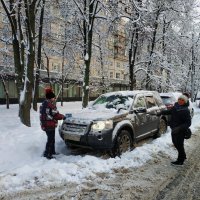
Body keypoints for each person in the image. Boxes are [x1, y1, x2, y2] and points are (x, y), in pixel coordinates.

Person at [158, 94, 191, 166]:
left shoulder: (186, 110)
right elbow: (169, 112)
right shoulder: (175, 107)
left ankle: (180, 160)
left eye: (182, 100)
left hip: (180, 130)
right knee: (175, 143)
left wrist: (179, 128)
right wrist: (161, 112)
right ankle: (183, 155)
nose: (180, 101)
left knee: (179, 145)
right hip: (174, 128)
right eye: (179, 99)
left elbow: (188, 123)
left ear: (185, 101)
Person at [40, 88, 65, 159]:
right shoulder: (50, 105)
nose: (54, 99)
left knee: (51, 139)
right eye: (53, 97)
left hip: (45, 124)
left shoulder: (43, 104)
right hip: (50, 125)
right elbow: (56, 115)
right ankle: (47, 154)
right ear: (51, 98)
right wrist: (63, 116)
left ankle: (52, 151)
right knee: (50, 140)